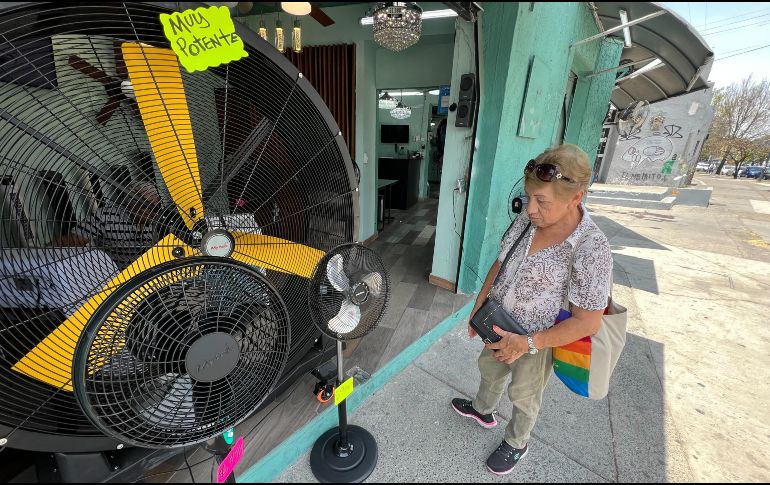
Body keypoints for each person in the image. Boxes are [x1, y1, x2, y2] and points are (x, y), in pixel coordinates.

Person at [451, 144, 613, 476]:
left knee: (524, 395)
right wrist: (478, 307)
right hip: (496, 321)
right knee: (490, 369)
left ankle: (517, 442)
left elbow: (588, 322)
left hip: (537, 341)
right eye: (528, 197)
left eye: (542, 202)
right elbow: (501, 262)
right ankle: (483, 409)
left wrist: (526, 343)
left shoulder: (591, 248)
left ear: (576, 197)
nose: (531, 209)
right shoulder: (527, 219)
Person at [50, 180, 162, 269]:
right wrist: (43, 254)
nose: (153, 212)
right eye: (146, 206)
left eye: (156, 207)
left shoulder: (161, 219)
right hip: (122, 279)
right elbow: (72, 240)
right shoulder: (106, 217)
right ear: (130, 204)